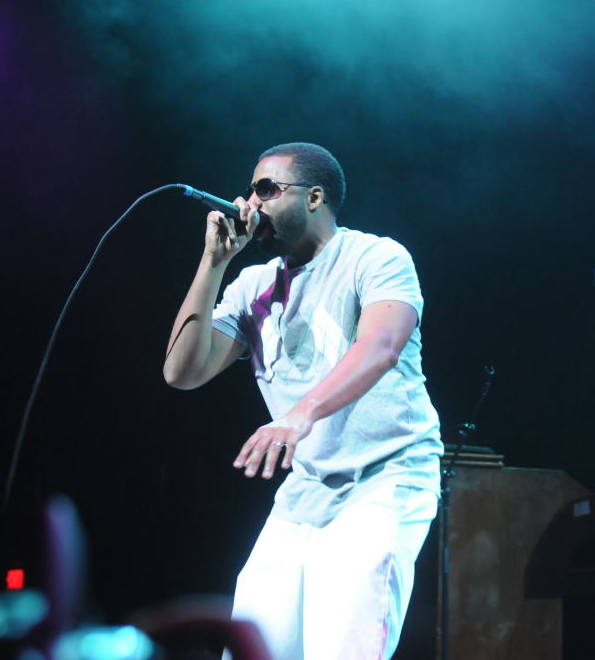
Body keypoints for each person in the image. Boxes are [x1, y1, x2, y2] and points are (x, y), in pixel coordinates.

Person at [163, 142, 442, 660]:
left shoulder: (375, 256)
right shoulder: (252, 285)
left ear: (314, 197)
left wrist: (298, 416)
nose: (251, 201)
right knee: (253, 645)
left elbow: (381, 346)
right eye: (251, 190)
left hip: (384, 479)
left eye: (266, 189)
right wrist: (213, 263)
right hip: (305, 494)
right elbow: (183, 372)